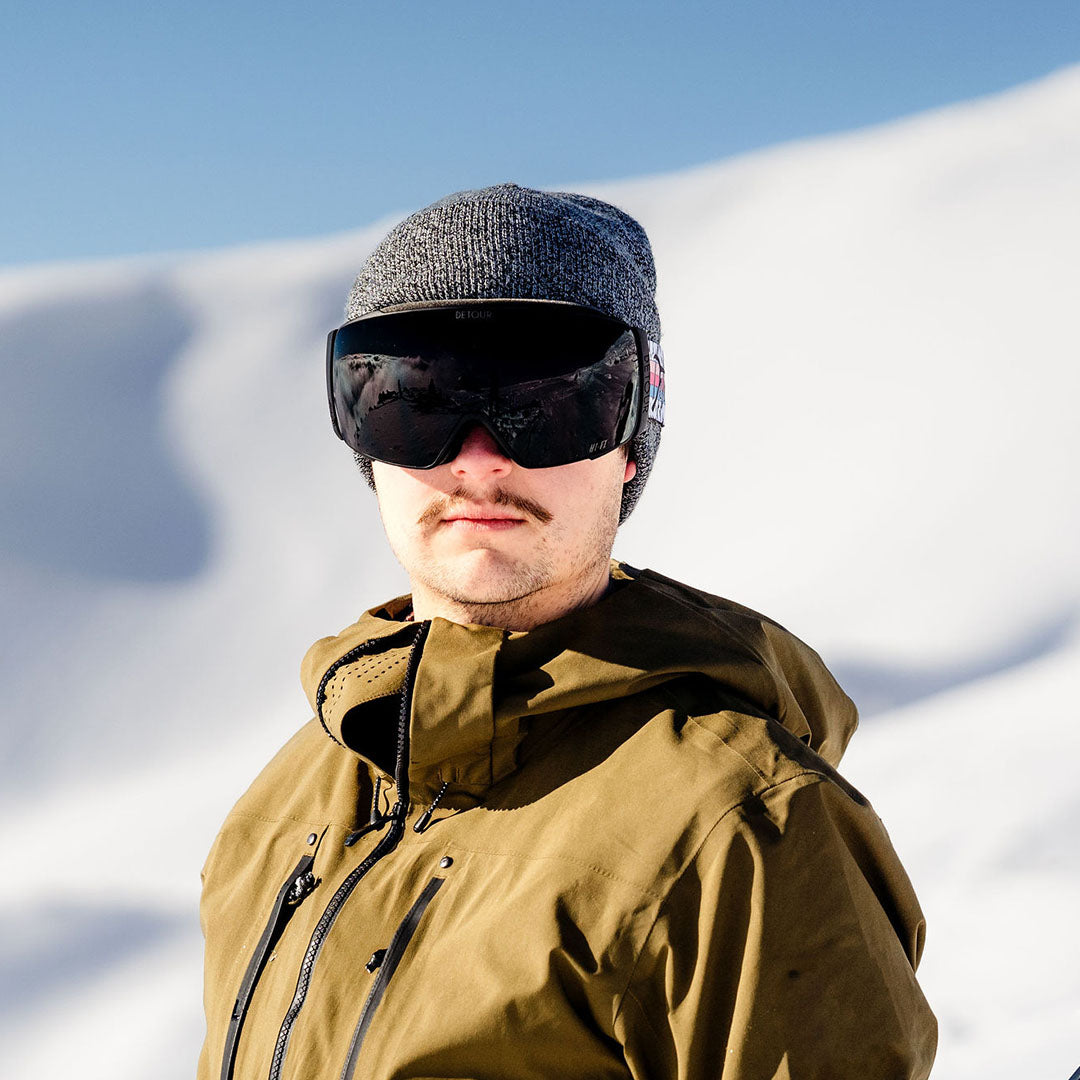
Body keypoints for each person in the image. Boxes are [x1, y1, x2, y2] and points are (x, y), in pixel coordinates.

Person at [198, 183, 937, 1080]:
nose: (479, 459)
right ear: (365, 444)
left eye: (547, 402)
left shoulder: (740, 827)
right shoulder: (291, 796)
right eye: (413, 400)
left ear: (629, 443)